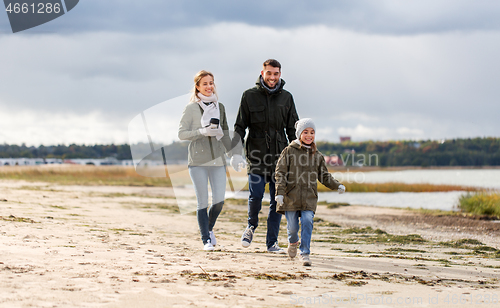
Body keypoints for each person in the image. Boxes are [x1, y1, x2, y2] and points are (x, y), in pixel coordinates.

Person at [231, 59, 299, 253]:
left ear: (280, 74)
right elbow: (239, 127)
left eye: (276, 74)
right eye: (269, 73)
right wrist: (236, 153)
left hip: (280, 158)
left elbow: (293, 130)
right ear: (262, 73)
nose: (272, 77)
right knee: (256, 195)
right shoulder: (249, 96)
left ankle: (272, 243)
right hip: (256, 155)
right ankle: (251, 226)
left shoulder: (287, 98)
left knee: (278, 201)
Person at [275, 118, 346, 266]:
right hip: (291, 197)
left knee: (307, 221)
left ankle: (305, 253)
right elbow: (280, 173)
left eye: (312, 132)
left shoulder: (317, 155)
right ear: (299, 134)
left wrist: (337, 185)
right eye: (306, 132)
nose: (309, 135)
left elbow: (324, 176)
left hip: (309, 197)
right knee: (293, 228)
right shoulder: (288, 151)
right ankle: (293, 241)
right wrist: (280, 193)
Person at [178, 70, 232, 251]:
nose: (209, 87)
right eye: (205, 84)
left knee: (219, 201)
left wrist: (234, 153)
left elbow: (225, 133)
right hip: (197, 162)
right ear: (197, 87)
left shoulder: (220, 107)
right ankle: (206, 240)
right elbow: (181, 134)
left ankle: (208, 229)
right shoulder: (191, 108)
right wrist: (202, 132)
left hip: (218, 160)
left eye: (211, 83)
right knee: (203, 202)